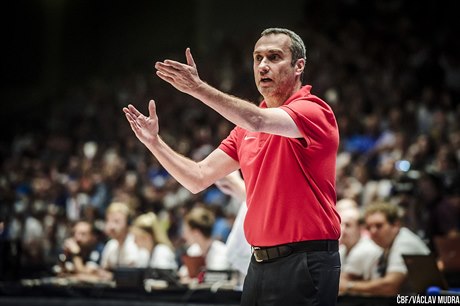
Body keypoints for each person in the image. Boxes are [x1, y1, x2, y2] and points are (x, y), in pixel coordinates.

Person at [124, 27, 341, 305]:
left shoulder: (314, 111)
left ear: (299, 66)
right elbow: (197, 178)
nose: (263, 65)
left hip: (306, 262)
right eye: (257, 58)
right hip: (259, 263)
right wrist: (154, 143)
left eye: (274, 57)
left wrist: (198, 88)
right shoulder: (244, 130)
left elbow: (259, 120)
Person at [339, 201, 431, 296]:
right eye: (369, 227)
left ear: (395, 225)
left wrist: (349, 286)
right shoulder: (385, 246)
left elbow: (389, 287)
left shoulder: (405, 242)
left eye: (379, 226)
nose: (373, 231)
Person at [179, 206, 230, 282]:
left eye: (186, 231)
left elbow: (217, 278)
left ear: (196, 233)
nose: (184, 236)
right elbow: (182, 274)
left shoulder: (221, 252)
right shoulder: (193, 250)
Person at [337, 205, 382, 283]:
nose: (342, 230)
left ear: (360, 228)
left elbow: (342, 281)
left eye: (348, 225)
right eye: (339, 225)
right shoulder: (342, 249)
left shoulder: (365, 248)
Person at [99, 202, 140, 275]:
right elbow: (102, 271)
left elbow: (131, 277)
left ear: (128, 224)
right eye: (108, 221)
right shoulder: (111, 244)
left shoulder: (135, 244)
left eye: (116, 221)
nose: (111, 226)